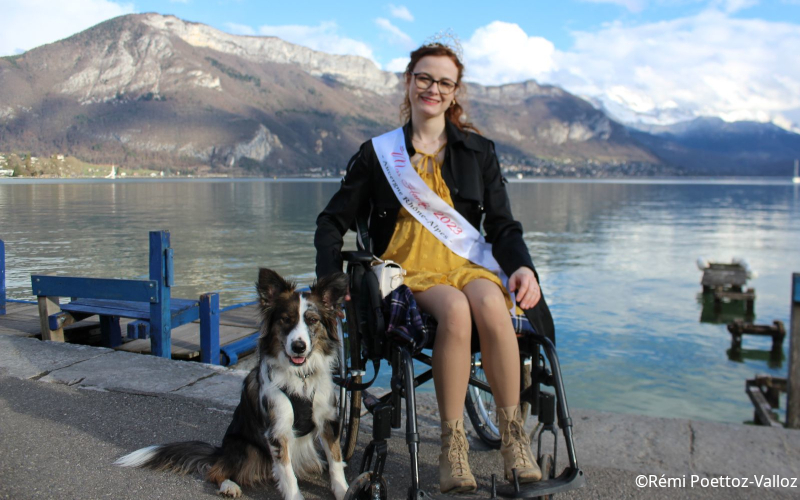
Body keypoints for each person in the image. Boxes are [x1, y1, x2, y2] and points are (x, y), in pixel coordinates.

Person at [315, 39, 546, 494]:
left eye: (444, 82)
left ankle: (514, 438)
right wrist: (328, 283)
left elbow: (502, 226)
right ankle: (452, 446)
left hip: (465, 263)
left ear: (455, 91)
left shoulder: (479, 152)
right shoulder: (378, 154)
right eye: (425, 78)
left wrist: (524, 268)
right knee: (457, 310)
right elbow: (330, 222)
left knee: (491, 305)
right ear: (408, 81)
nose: (433, 89)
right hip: (408, 268)